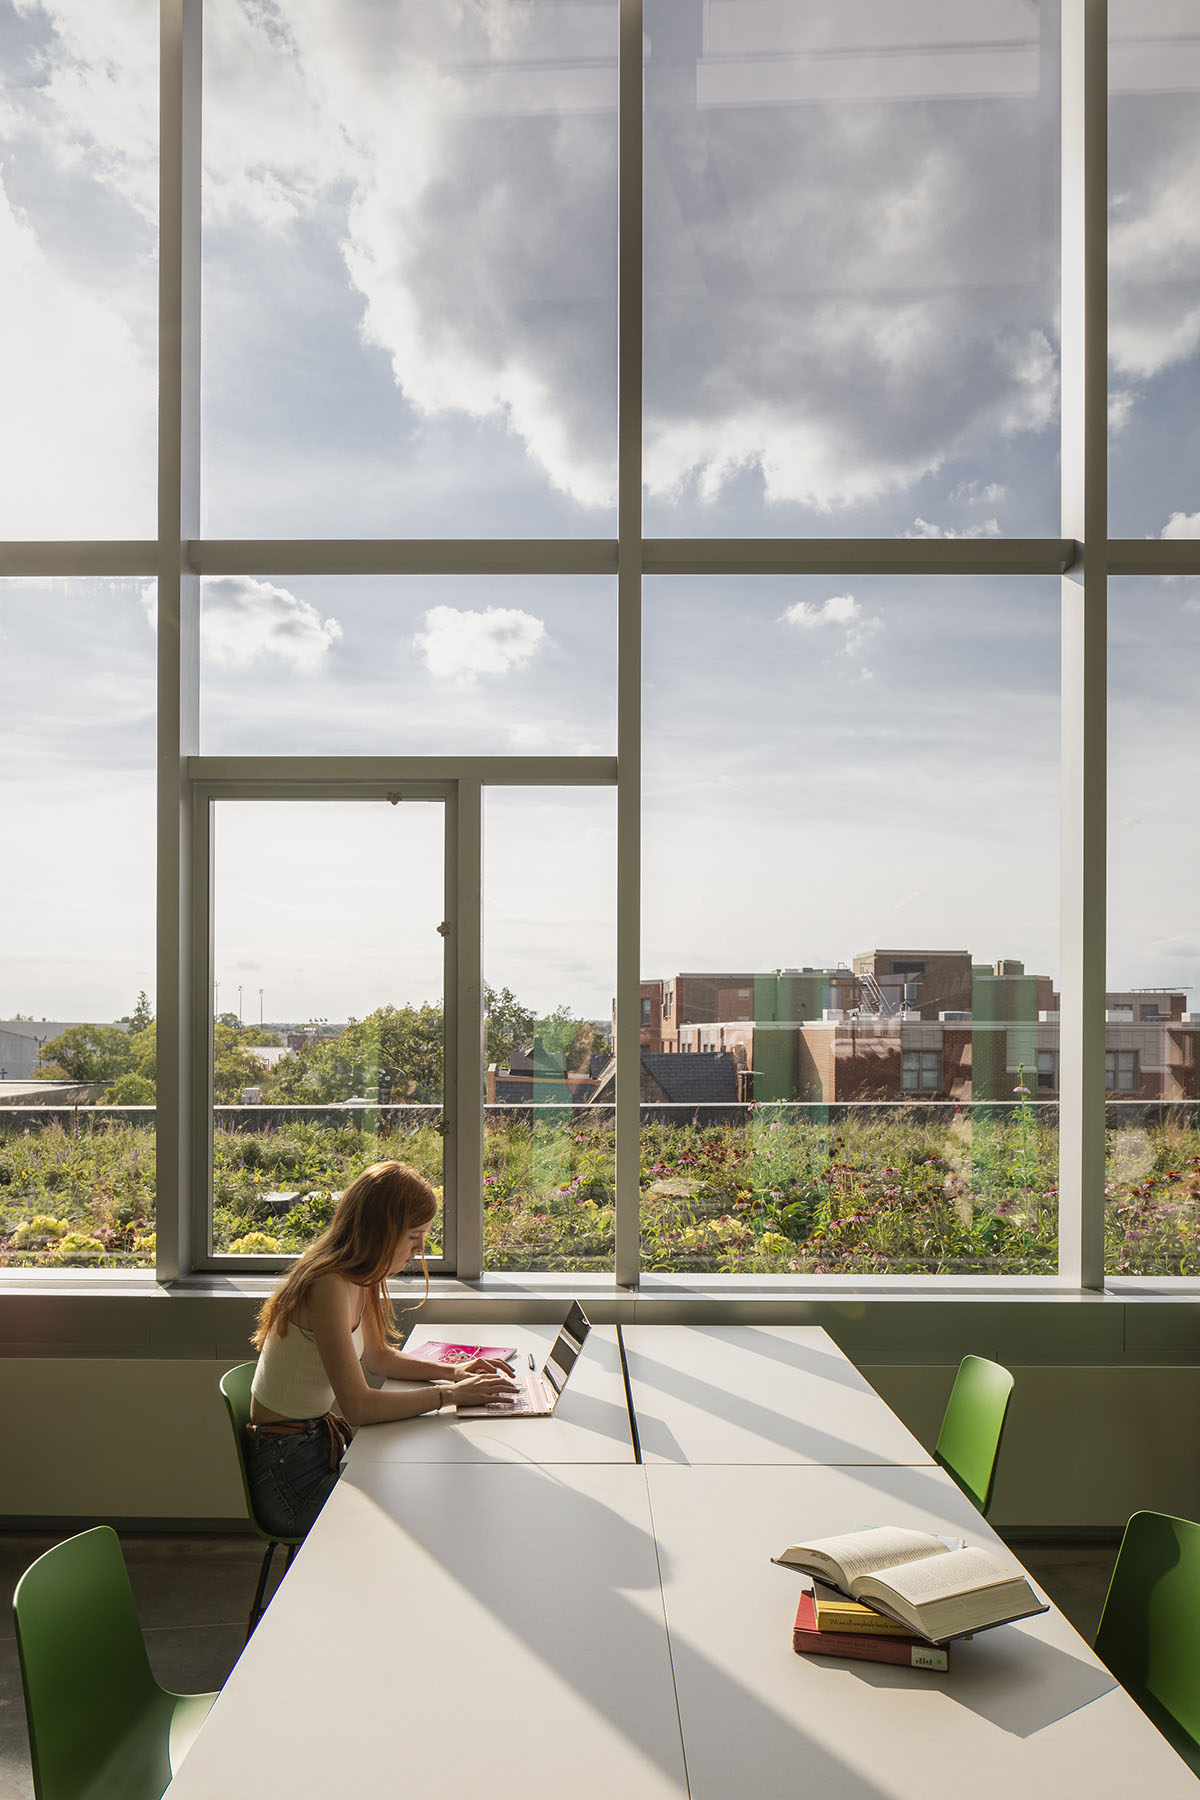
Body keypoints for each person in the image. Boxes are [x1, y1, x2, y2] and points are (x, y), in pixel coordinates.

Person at [245, 1159, 517, 1537]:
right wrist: (449, 1394)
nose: (418, 1251)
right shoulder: (327, 1284)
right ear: (380, 1231)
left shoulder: (361, 1276)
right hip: (289, 1471)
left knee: (429, 1494)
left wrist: (455, 1372)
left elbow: (379, 1358)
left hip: (316, 1445)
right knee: (424, 1507)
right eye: (413, 1237)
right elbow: (357, 1407)